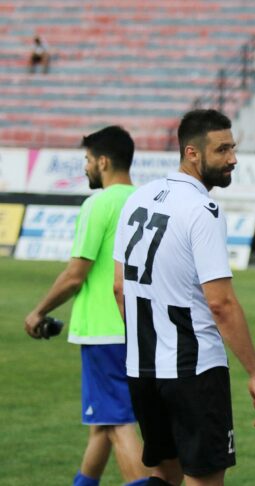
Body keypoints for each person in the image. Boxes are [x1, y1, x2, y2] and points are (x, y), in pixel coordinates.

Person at [113, 109, 255, 486]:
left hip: (142, 368)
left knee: (163, 474)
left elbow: (119, 288)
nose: (233, 159)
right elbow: (221, 304)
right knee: (204, 479)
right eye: (222, 150)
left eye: (233, 148)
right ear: (192, 153)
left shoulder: (139, 198)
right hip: (194, 370)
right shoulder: (203, 210)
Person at [24, 126, 148, 486]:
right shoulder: (146, 201)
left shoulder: (99, 204)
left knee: (118, 423)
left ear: (103, 162)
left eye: (88, 159)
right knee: (102, 423)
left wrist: (38, 311)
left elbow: (75, 275)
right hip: (141, 327)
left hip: (104, 329)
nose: (85, 166)